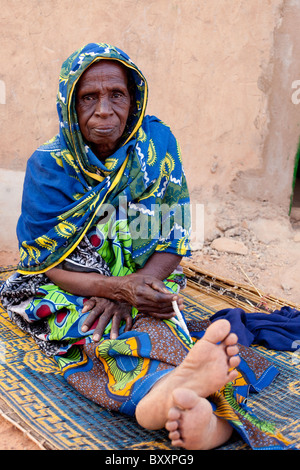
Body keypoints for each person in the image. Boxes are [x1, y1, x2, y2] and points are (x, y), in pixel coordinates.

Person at [0, 43, 292, 450]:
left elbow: (174, 236)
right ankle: (177, 397)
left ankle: (183, 401)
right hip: (73, 282)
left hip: (144, 271)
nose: (104, 110)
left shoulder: (155, 145)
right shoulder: (50, 166)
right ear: (69, 105)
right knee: (86, 329)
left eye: (116, 95)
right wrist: (116, 290)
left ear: (133, 100)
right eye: (89, 98)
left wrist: (139, 284)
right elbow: (47, 264)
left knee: (154, 316)